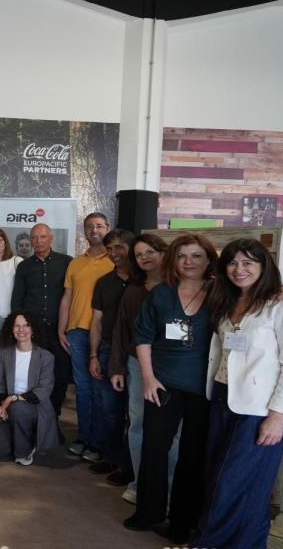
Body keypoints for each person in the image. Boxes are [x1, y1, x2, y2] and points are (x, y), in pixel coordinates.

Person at [196, 239, 283, 548]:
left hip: (259, 409)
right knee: (226, 481)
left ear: (264, 267)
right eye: (233, 263)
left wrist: (277, 415)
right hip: (222, 398)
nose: (239, 269)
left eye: (248, 263)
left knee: (231, 484)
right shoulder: (227, 301)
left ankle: (206, 543)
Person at [124, 233, 217, 544]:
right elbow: (143, 338)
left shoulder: (221, 294)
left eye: (196, 256)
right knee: (153, 449)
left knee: (192, 456)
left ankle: (182, 521)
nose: (189, 262)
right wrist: (149, 379)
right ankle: (148, 512)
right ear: (173, 260)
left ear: (208, 260)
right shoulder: (161, 295)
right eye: (182, 256)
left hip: (203, 389)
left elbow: (258, 298)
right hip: (162, 385)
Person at [109, 233, 173, 503]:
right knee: (138, 425)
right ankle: (139, 483)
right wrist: (117, 367)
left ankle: (169, 491)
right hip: (136, 365)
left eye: (150, 252)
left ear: (163, 252)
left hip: (172, 367)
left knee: (173, 431)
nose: (145, 258)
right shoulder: (134, 290)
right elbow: (120, 330)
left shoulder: (182, 287)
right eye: (139, 255)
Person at [58, 212, 112, 462]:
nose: (94, 230)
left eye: (99, 226)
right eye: (89, 226)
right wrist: (62, 328)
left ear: (108, 228)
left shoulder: (115, 260)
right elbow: (67, 298)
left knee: (101, 389)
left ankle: (100, 443)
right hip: (77, 332)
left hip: (104, 335)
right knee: (83, 388)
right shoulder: (75, 262)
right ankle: (84, 437)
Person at [85, 229, 135, 475]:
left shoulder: (144, 280)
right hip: (106, 350)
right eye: (111, 249)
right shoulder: (104, 283)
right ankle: (111, 456)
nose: (115, 253)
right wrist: (93, 355)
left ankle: (129, 464)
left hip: (136, 353)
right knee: (109, 408)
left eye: (119, 247)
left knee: (134, 412)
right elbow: (96, 320)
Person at [11, 223, 72, 421]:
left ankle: (53, 418)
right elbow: (17, 301)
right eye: (35, 238)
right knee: (32, 375)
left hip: (59, 330)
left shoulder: (67, 263)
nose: (38, 241)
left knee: (59, 375)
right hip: (33, 332)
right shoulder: (24, 266)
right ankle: (32, 418)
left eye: (43, 237)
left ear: (51, 238)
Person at [0, 311, 59, 466]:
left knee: (19, 408)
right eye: (17, 326)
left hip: (35, 408)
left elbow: (43, 391)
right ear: (11, 330)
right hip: (9, 406)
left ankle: (23, 452)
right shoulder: (5, 353)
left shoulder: (46, 357)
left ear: (33, 330)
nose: (21, 329)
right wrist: (1, 404)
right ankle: (25, 436)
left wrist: (12, 399)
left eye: (26, 325)